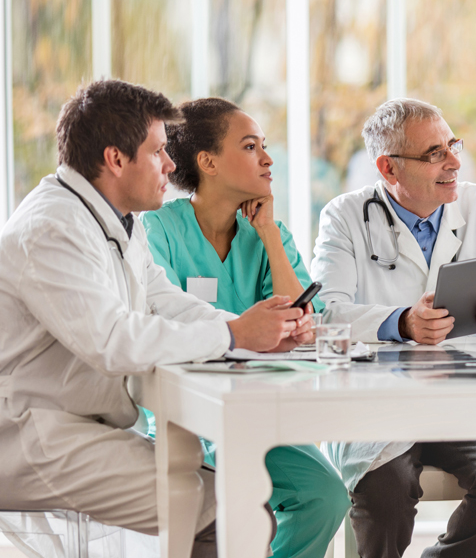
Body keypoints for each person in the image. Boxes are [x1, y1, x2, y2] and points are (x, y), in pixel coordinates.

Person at [0, 80, 308, 557]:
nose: (171, 164)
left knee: (235, 498)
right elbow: (113, 341)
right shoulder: (52, 227)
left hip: (79, 424)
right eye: (159, 151)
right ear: (116, 159)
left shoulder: (118, 220)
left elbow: (162, 300)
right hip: (35, 435)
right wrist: (232, 334)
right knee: (230, 509)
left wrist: (251, 334)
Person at [312, 98, 476, 558]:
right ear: (388, 169)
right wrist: (400, 322)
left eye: (452, 145)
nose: (454, 162)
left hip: (466, 397)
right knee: (384, 494)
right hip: (379, 405)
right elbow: (325, 313)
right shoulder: (344, 217)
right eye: (434, 154)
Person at [141, 98, 348, 558]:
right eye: (251, 146)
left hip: (258, 411)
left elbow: (305, 323)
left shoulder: (266, 234)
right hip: (185, 415)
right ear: (208, 162)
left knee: (325, 497)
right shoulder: (156, 231)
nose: (268, 159)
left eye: (265, 146)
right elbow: (163, 321)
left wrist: (270, 235)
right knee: (232, 506)